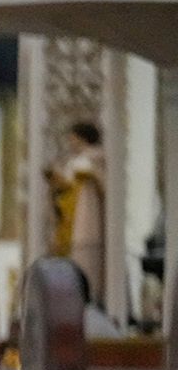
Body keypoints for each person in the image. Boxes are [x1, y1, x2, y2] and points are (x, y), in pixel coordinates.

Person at [45, 122, 106, 305]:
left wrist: (92, 176)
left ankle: (90, 300)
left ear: (82, 138)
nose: (70, 143)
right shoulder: (75, 161)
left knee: (88, 267)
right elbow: (66, 187)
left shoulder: (97, 159)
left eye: (73, 138)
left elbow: (105, 187)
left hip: (88, 219)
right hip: (71, 220)